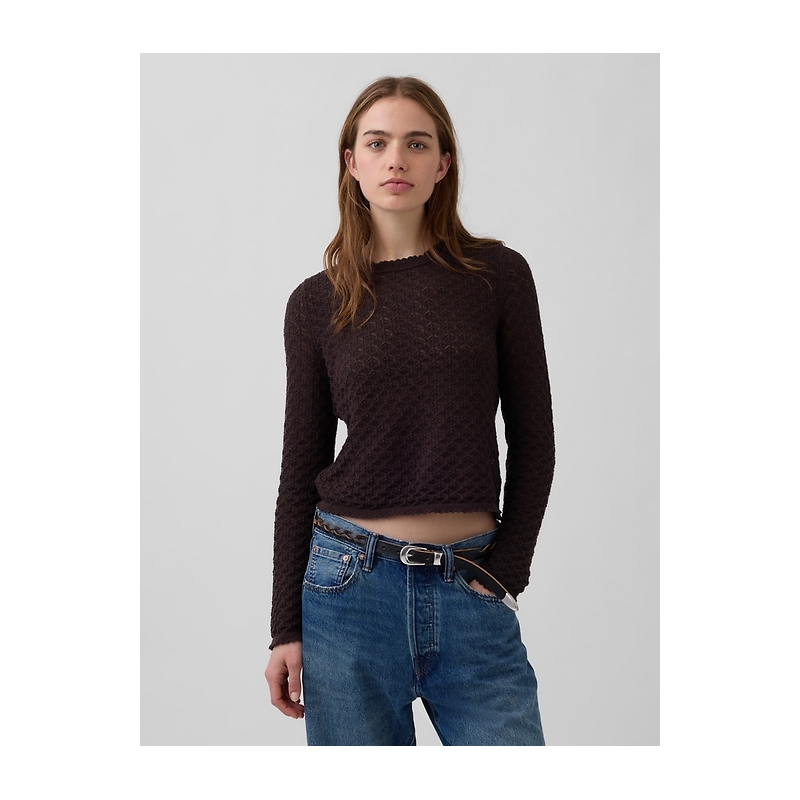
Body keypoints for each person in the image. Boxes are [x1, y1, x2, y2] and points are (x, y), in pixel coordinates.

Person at [264, 75, 555, 746]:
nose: (396, 159)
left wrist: (507, 569)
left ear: (443, 163)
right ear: (352, 162)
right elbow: (299, 470)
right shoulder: (315, 303)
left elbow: (534, 438)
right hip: (347, 592)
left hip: (471, 584)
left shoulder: (497, 276)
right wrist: (285, 628)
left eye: (417, 143)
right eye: (378, 143)